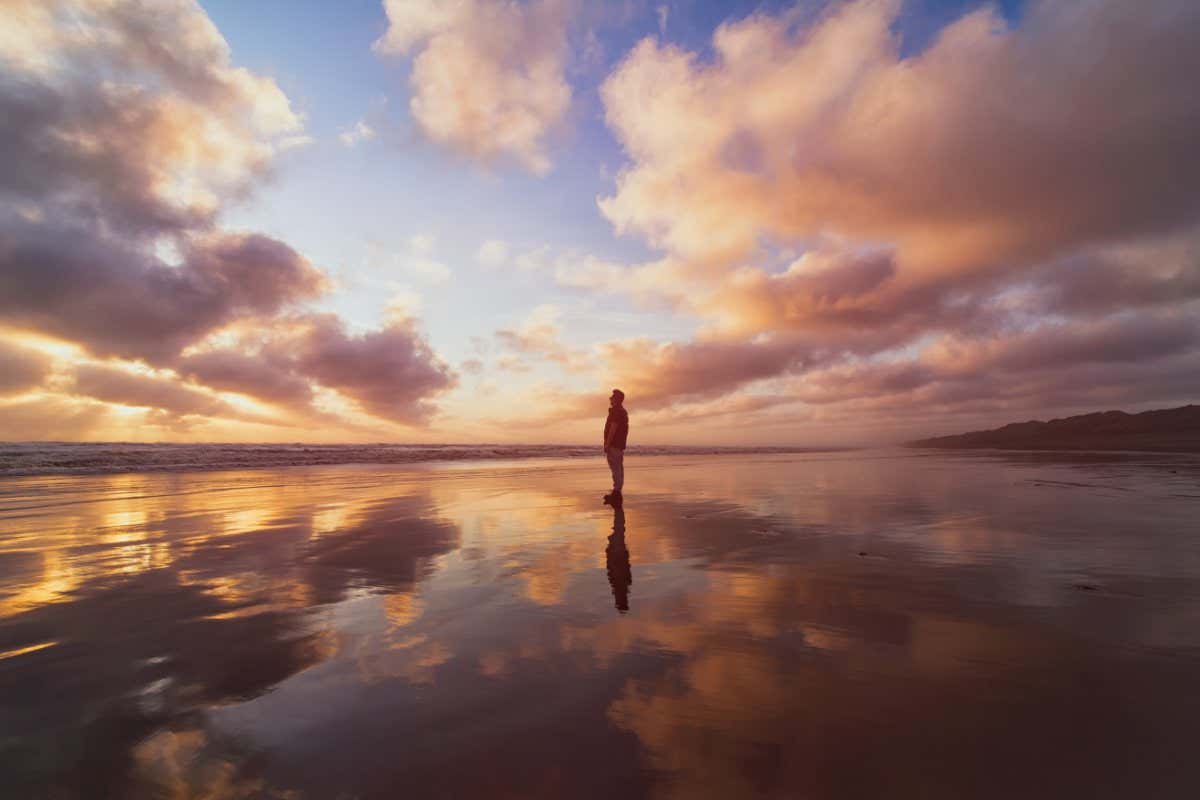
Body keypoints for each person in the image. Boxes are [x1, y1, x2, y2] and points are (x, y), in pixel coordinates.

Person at [603, 388, 628, 502]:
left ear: (616, 399)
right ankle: (617, 492)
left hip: (614, 444)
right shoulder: (622, 411)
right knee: (618, 468)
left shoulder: (616, 411)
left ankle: (616, 494)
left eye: (612, 397)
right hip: (619, 445)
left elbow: (613, 427)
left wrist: (607, 443)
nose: (610, 398)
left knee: (615, 468)